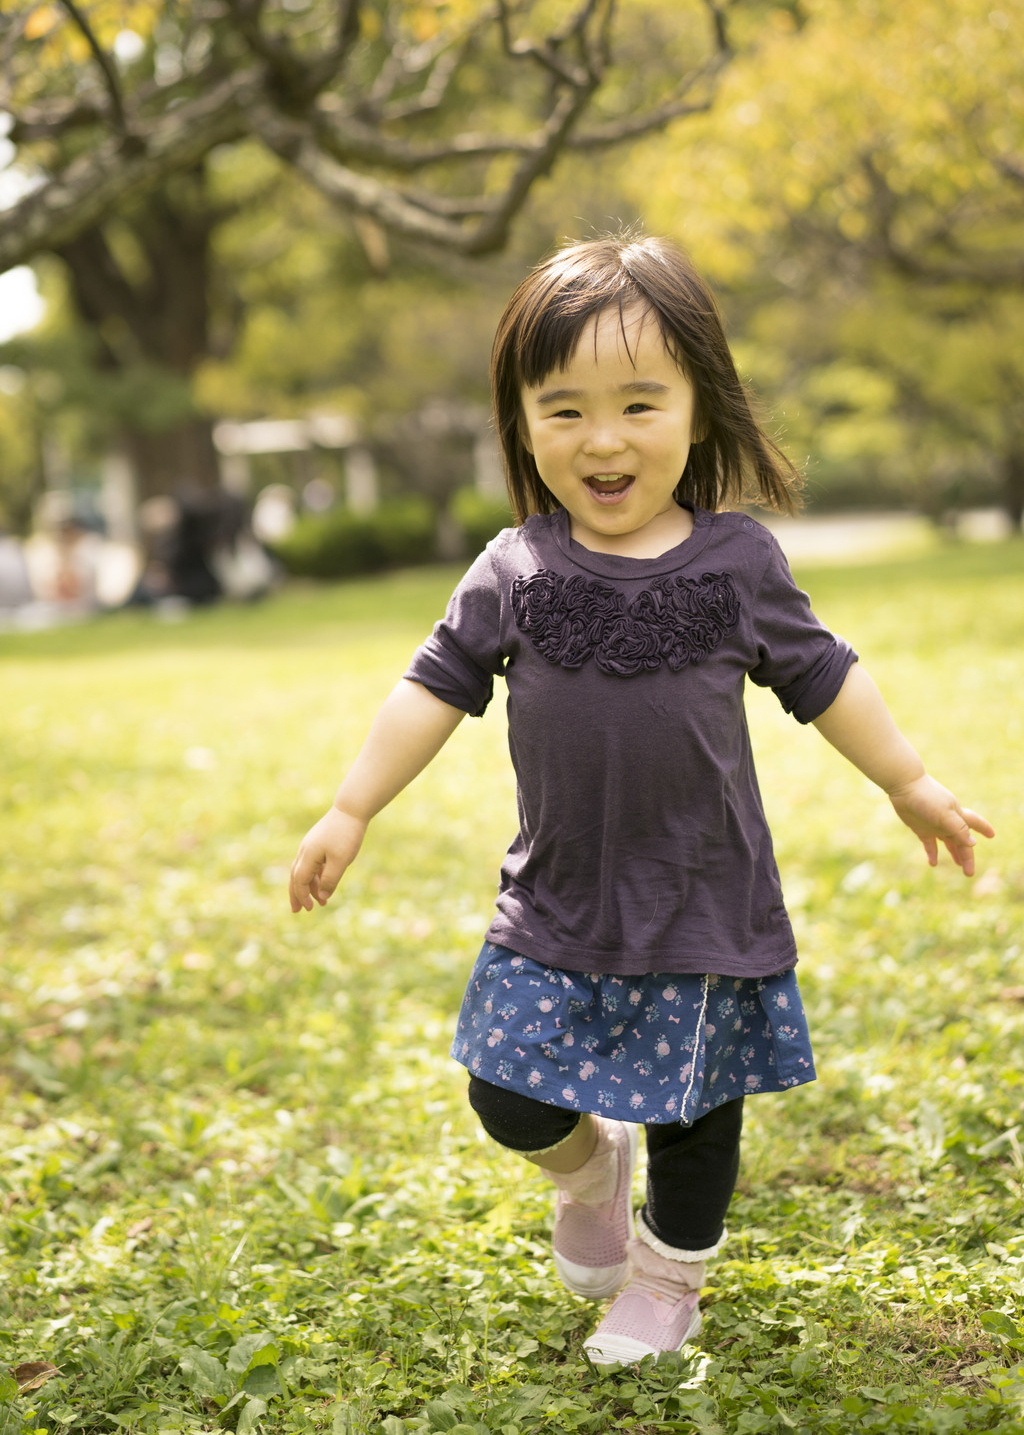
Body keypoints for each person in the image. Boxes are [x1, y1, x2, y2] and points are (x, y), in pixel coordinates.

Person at [288, 235, 994, 1366]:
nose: (603, 439)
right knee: (507, 1091)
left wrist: (909, 781)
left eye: (638, 404)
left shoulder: (736, 564)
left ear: (699, 410)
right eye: (564, 409)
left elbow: (824, 676)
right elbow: (432, 686)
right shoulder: (514, 569)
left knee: (695, 1112)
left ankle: (668, 1284)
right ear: (522, 423)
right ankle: (591, 1172)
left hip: (703, 900)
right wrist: (351, 807)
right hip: (557, 901)